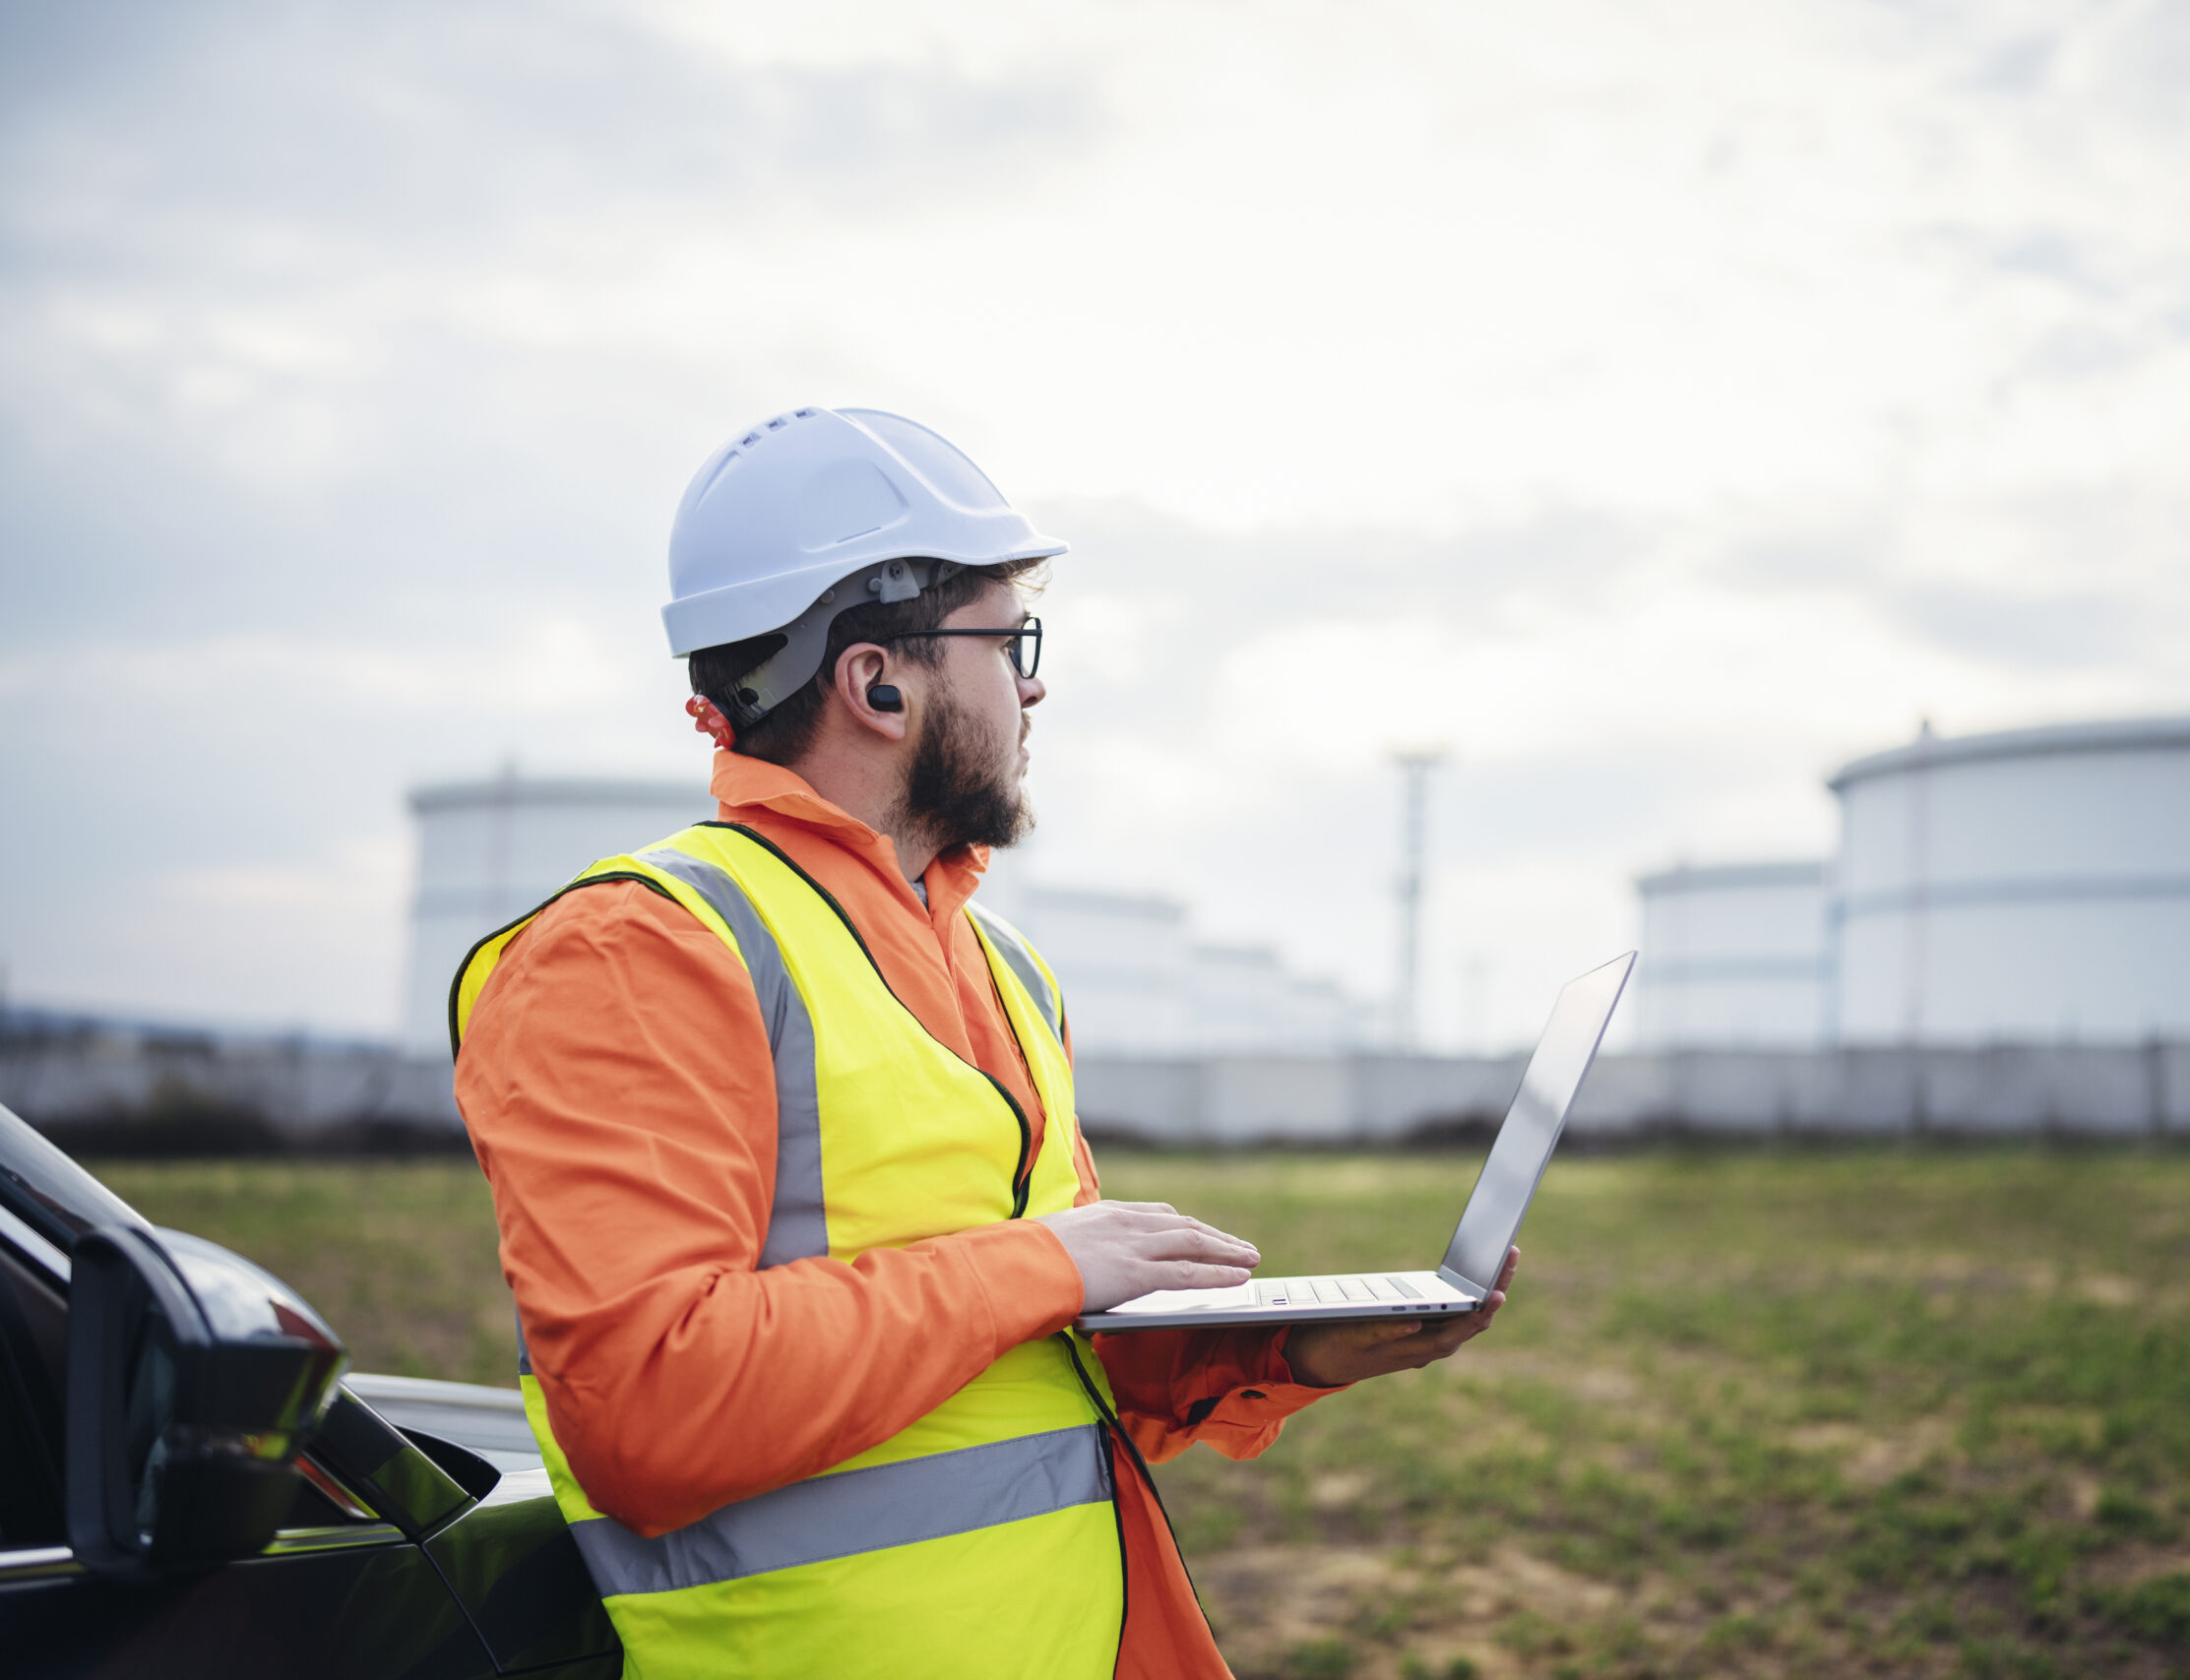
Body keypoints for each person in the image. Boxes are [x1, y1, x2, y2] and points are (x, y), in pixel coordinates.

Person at [452, 406, 1516, 1680]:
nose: (1034, 682)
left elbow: (1038, 1364)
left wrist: (1290, 1351)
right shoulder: (635, 954)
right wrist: (1044, 1266)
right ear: (876, 681)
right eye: (1009, 638)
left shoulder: (1002, 968)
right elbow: (650, 1412)